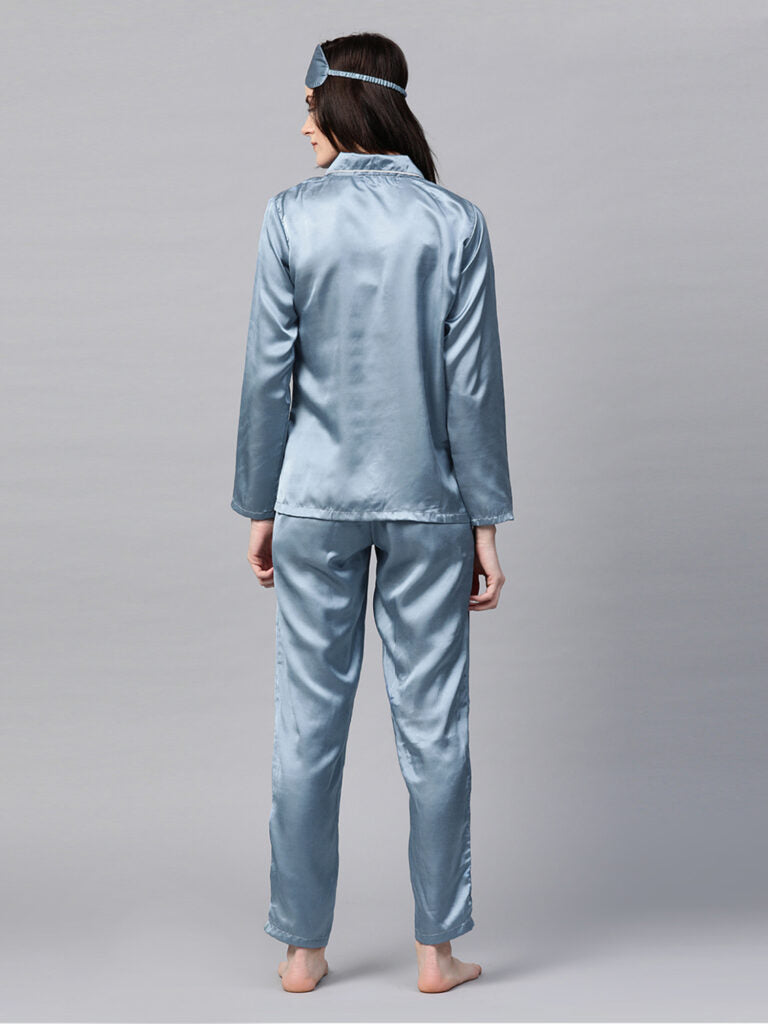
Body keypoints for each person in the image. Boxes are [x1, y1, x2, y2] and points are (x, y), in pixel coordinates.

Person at [231, 32, 514, 994]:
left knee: (306, 723)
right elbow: (473, 388)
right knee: (435, 724)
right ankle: (438, 953)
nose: (301, 122)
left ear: (344, 102)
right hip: (429, 504)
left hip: (313, 501)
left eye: (307, 103)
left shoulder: (289, 216)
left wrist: (260, 503)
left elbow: (267, 378)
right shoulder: (455, 221)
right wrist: (485, 521)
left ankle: (302, 951)